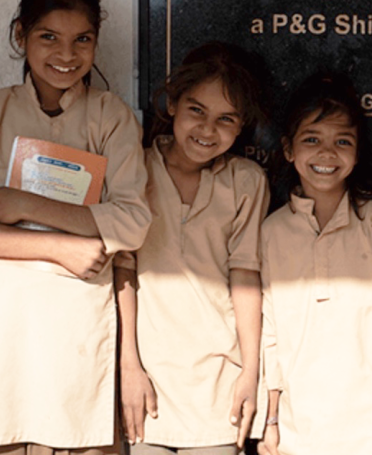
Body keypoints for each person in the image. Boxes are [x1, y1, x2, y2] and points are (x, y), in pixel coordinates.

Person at [0, 0, 152, 455]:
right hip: (6, 323)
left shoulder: (111, 116)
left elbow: (132, 220)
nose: (66, 55)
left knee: (78, 438)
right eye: (49, 36)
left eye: (82, 40)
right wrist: (59, 247)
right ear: (20, 35)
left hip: (79, 324)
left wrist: (24, 205)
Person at [114, 43, 269, 455]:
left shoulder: (246, 181)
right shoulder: (136, 168)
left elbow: (246, 275)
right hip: (148, 379)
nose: (207, 130)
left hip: (219, 380)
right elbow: (122, 268)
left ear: (240, 128)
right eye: (196, 110)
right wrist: (129, 365)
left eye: (225, 120)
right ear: (173, 105)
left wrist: (250, 373)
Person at [257, 72, 372, 455]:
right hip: (301, 427)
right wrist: (271, 420)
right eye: (312, 140)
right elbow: (270, 331)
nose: (327, 154)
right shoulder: (271, 231)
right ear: (289, 150)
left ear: (357, 153)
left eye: (343, 141)